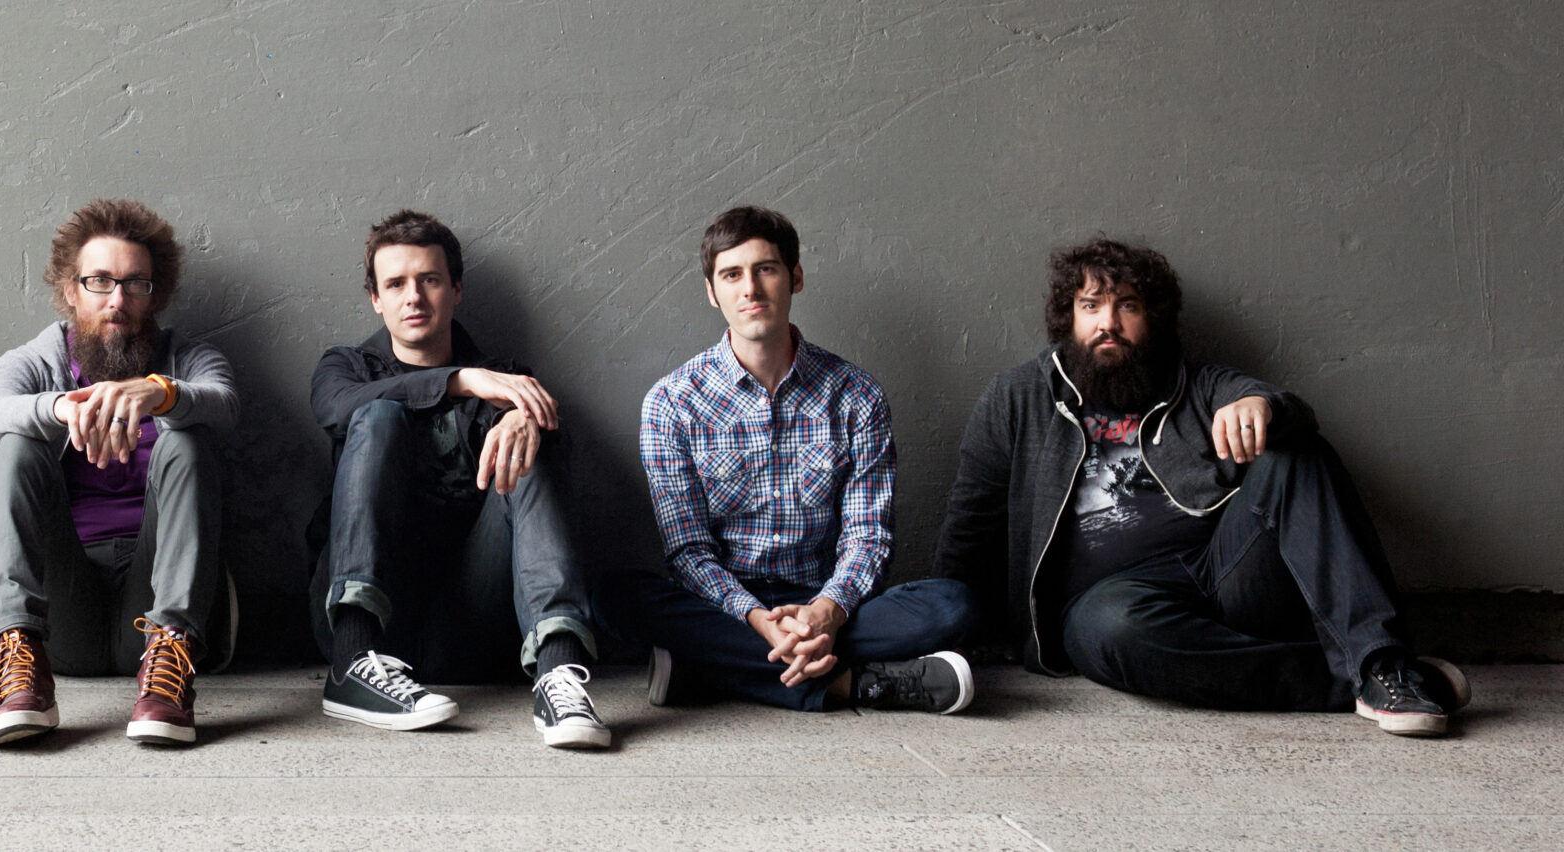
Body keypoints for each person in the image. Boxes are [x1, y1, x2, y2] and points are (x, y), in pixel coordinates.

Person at [934, 236, 1467, 736]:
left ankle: (1382, 664)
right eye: (1091, 306)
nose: (1109, 324)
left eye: (1129, 307)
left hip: (1226, 571)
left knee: (1296, 451)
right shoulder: (1018, 398)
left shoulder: (1200, 384)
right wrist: (942, 635)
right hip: (1111, 605)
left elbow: (1287, 411)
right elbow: (973, 520)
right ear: (1068, 317)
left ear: (1154, 319)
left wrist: (1263, 407)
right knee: (1114, 630)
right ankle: (1366, 679)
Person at [602, 206, 976, 715]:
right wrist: (757, 618)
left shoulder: (856, 395)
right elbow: (688, 552)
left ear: (795, 278)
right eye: (731, 275)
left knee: (953, 604)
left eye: (766, 269)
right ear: (713, 292)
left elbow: (869, 536)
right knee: (614, 595)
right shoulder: (672, 402)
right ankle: (854, 684)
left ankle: (707, 669)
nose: (750, 289)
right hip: (725, 605)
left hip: (828, 600)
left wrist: (825, 614)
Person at [305, 210, 608, 748]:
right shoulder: (346, 367)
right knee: (376, 417)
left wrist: (527, 416)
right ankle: (350, 667)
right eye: (396, 284)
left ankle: (559, 672)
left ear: (457, 289)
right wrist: (462, 380)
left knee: (530, 436)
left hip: (472, 617)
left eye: (430, 280)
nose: (413, 297)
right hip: (372, 617)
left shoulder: (506, 377)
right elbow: (337, 408)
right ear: (376, 298)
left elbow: (541, 447)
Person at [0, 199, 239, 748]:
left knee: (189, 440)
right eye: (99, 282)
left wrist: (162, 393)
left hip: (156, 602)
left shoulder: (188, 358)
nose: (117, 300)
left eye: (135, 284)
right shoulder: (32, 361)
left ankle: (171, 668)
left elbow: (224, 404)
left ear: (155, 294)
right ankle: (18, 662)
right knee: (16, 444)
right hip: (65, 608)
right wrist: (58, 409)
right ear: (70, 290)